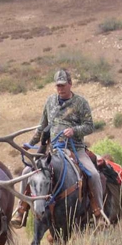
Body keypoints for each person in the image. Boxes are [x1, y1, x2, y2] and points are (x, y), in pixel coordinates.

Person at [12, 69, 110, 229]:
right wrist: (30, 143)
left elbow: (89, 126)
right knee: (26, 172)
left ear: (70, 84)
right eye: (58, 85)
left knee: (93, 174)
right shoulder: (50, 101)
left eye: (63, 85)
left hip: (75, 148)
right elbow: (42, 126)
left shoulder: (81, 102)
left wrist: (74, 131)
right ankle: (21, 210)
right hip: (51, 150)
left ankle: (98, 212)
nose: (60, 88)